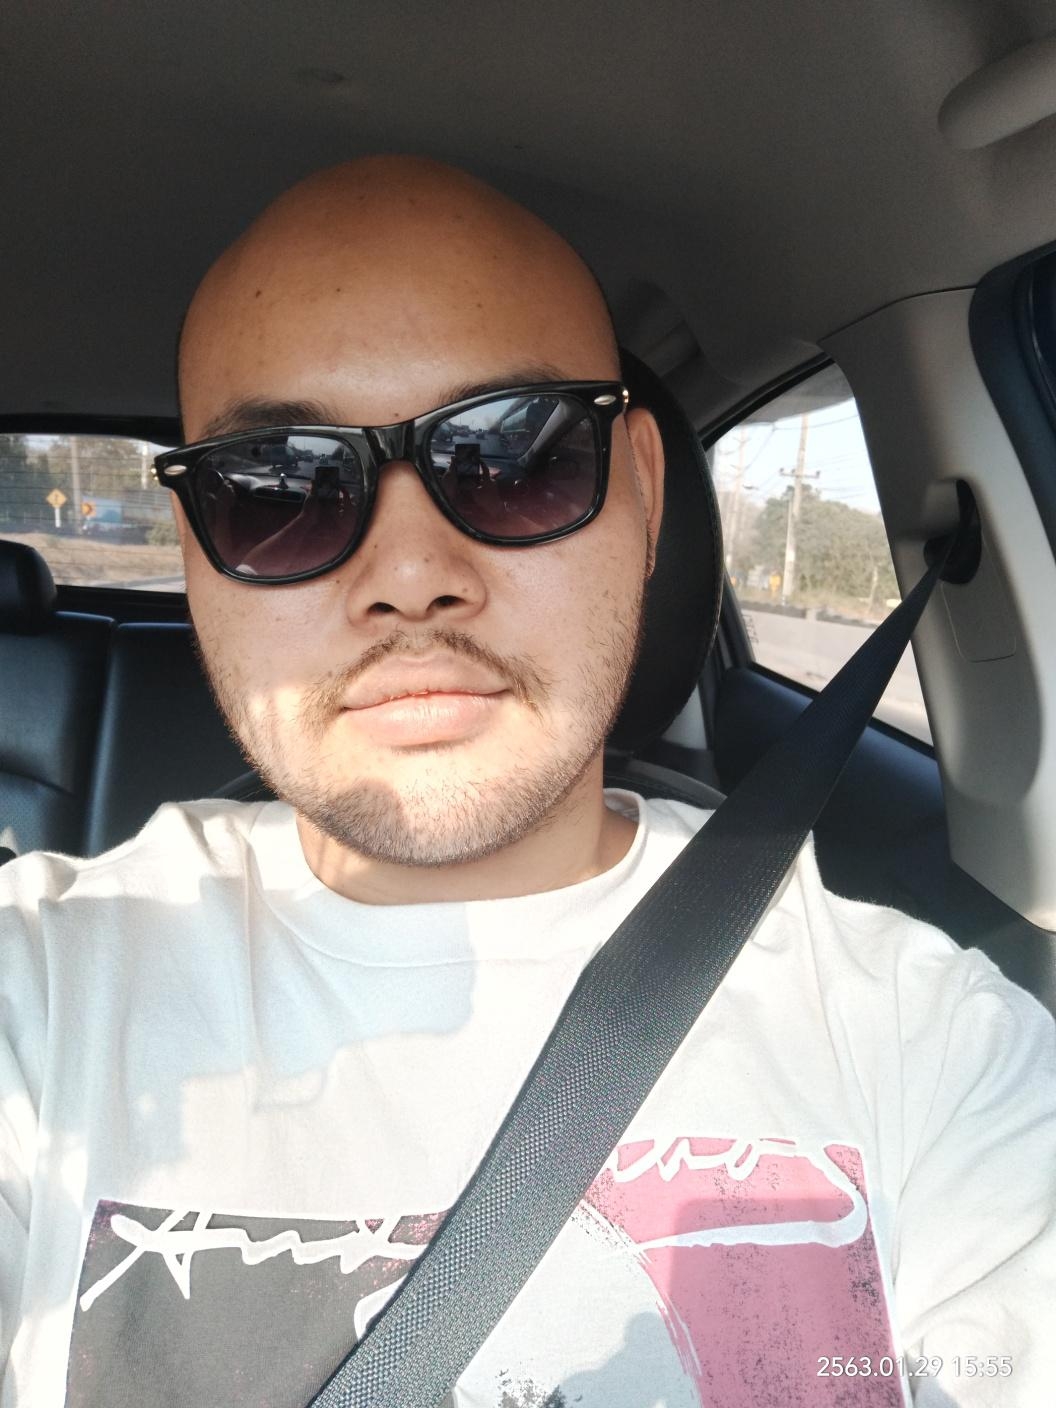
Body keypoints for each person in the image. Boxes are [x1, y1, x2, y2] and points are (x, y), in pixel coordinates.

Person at [1, 155, 1053, 1408]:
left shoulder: (934, 1052)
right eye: (279, 488)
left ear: (645, 495)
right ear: (194, 546)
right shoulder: (39, 992)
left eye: (516, 458)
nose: (410, 576)